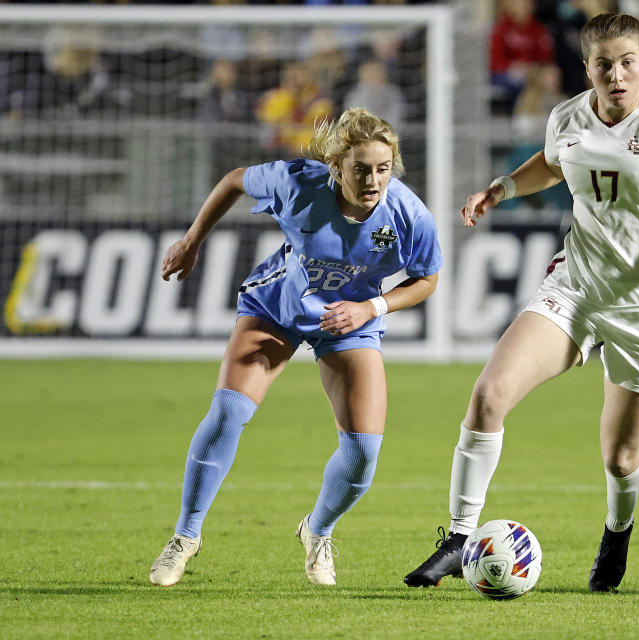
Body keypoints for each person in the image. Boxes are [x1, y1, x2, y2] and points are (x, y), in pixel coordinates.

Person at [403, 12, 639, 592]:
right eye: (604, 64)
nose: (617, 74)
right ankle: (458, 537)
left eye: (629, 61)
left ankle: (617, 528)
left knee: (621, 457)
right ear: (588, 69)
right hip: (576, 286)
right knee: (487, 396)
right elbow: (554, 163)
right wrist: (500, 188)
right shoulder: (568, 117)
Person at [149, 107, 442, 588]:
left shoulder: (410, 215)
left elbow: (427, 279)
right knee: (227, 413)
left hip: (351, 321)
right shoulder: (297, 184)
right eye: (361, 169)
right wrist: (193, 239)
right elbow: (234, 180)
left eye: (384, 169)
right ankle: (185, 536)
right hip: (278, 308)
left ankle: (317, 530)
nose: (374, 180)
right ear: (336, 167)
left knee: (364, 452)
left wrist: (373, 308)